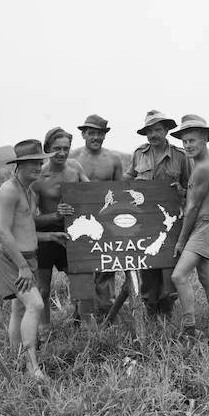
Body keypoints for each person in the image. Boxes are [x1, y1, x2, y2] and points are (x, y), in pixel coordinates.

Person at [0, 139, 69, 380]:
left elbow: (25, 231)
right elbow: (3, 233)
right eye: (33, 163)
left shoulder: (27, 190)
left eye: (39, 162)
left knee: (19, 309)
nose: (38, 167)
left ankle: (16, 359)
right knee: (36, 304)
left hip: (29, 257)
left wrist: (50, 236)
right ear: (19, 165)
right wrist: (23, 267)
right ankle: (32, 367)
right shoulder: (9, 191)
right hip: (14, 260)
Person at [122, 110, 190, 320]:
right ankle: (151, 310)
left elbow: (190, 188)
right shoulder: (139, 154)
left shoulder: (180, 156)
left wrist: (182, 194)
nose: (153, 135)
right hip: (143, 220)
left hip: (171, 222)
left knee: (169, 265)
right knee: (147, 264)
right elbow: (127, 180)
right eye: (149, 131)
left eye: (157, 130)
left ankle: (167, 309)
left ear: (167, 130)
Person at [169, 115, 209, 340]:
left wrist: (182, 241)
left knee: (179, 276)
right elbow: (197, 197)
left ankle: (189, 329)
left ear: (205, 139)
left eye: (192, 140)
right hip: (208, 223)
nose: (188, 146)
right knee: (206, 277)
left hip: (203, 226)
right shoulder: (203, 162)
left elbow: (193, 208)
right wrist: (184, 191)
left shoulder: (204, 167)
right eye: (184, 142)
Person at [30, 127, 96, 331]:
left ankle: (85, 324)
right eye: (56, 148)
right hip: (48, 235)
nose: (62, 153)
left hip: (74, 233)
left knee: (83, 281)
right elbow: (30, 219)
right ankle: (44, 329)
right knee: (42, 287)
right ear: (47, 149)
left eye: (66, 148)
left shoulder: (75, 168)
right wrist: (55, 216)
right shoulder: (39, 177)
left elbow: (92, 193)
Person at [69, 114, 124, 320]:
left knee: (107, 265)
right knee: (81, 266)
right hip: (79, 221)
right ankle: (80, 311)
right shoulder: (72, 159)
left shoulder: (113, 159)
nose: (96, 137)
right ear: (83, 134)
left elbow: (120, 192)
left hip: (106, 219)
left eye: (100, 133)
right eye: (91, 133)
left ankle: (107, 310)